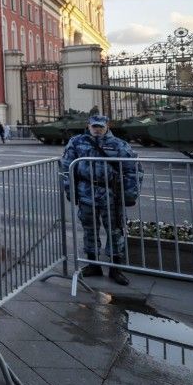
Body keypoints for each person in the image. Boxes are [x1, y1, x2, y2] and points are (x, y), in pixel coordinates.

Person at [59, 114, 142, 286]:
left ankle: (115, 268)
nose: (97, 129)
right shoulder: (76, 142)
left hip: (110, 194)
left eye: (100, 126)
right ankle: (93, 265)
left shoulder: (119, 144)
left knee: (115, 231)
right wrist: (70, 191)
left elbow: (132, 170)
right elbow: (66, 167)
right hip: (86, 193)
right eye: (94, 126)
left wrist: (130, 194)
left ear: (107, 126)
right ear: (88, 126)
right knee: (89, 230)